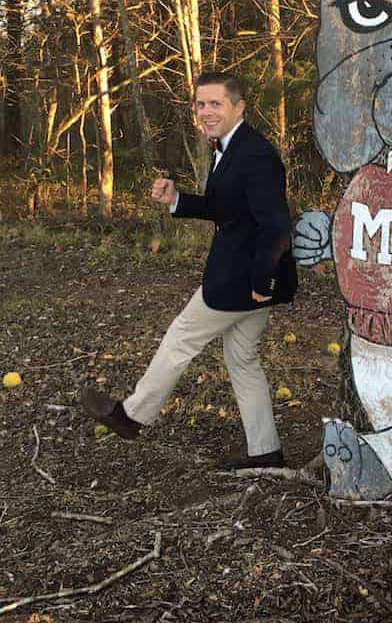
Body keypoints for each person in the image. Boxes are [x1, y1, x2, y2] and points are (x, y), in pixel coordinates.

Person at [81, 72, 298, 469]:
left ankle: (131, 416)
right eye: (201, 104)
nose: (206, 111)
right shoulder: (228, 148)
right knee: (242, 357)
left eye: (216, 103)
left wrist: (262, 281)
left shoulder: (255, 155)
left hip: (245, 279)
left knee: (181, 337)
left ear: (239, 106)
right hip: (250, 278)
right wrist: (178, 199)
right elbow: (227, 210)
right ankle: (266, 451)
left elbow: (277, 225)